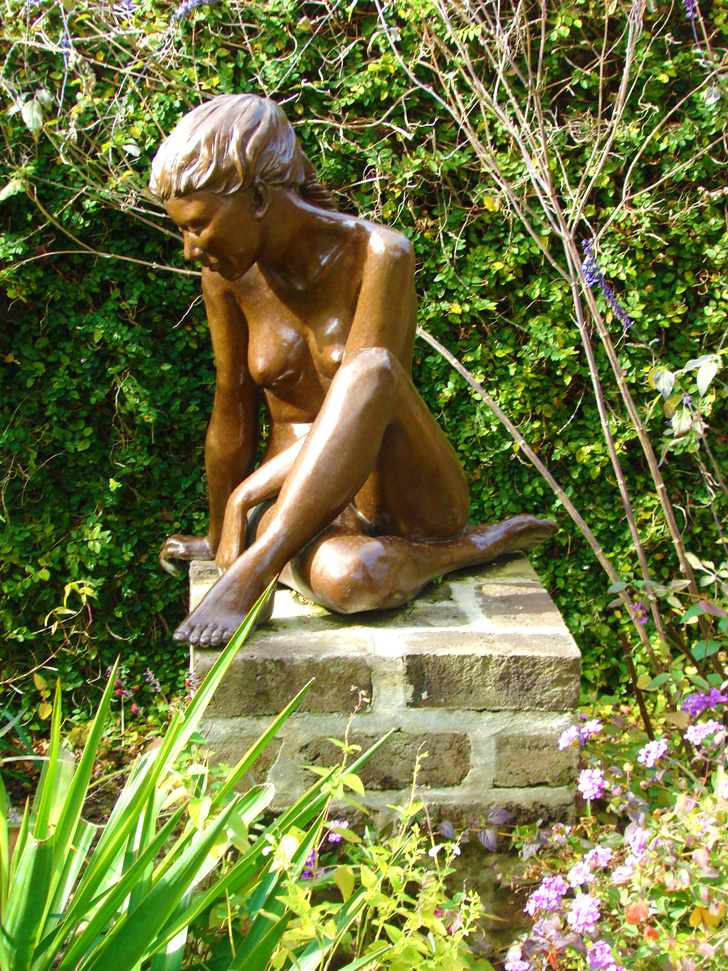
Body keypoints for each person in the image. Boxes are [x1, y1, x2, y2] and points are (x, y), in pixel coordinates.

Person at [150, 93, 555, 647]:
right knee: (352, 580)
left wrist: (248, 509)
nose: (190, 248)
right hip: (297, 502)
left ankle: (256, 571)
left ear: (260, 197)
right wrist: (222, 525)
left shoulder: (378, 254)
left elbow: (374, 395)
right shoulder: (228, 276)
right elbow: (231, 412)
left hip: (398, 486)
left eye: (197, 226)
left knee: (369, 369)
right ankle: (473, 548)